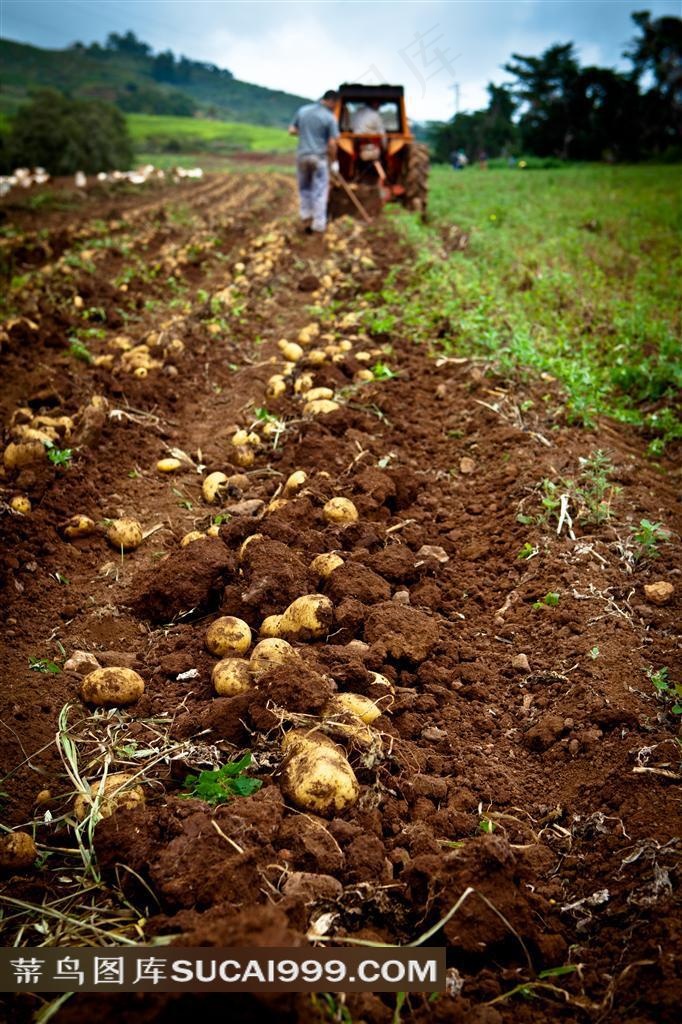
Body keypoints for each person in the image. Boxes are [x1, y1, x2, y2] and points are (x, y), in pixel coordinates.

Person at [289, 90, 340, 234]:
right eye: (336, 104)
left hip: (302, 156)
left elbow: (292, 130)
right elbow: (332, 143)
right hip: (319, 158)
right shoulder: (329, 118)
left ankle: (306, 217)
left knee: (304, 188)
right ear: (332, 101)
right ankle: (318, 225)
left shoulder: (303, 111)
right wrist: (335, 161)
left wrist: (305, 134)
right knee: (320, 191)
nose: (336, 107)